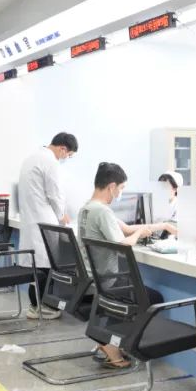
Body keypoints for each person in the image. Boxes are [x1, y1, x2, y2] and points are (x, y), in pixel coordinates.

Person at [78, 162, 175, 368]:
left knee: (139, 296)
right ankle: (112, 342)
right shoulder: (102, 212)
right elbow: (123, 245)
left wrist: (164, 226)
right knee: (153, 299)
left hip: (95, 278)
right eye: (121, 188)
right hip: (109, 281)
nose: (120, 193)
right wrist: (140, 234)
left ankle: (108, 340)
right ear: (112, 186)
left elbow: (127, 229)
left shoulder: (87, 208)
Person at [18, 132, 79, 320]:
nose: (66, 159)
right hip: (43, 220)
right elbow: (55, 194)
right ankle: (40, 307)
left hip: (32, 219)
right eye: (69, 155)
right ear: (63, 149)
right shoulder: (50, 162)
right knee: (44, 266)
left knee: (37, 265)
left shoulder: (32, 158)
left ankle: (35, 305)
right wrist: (62, 215)